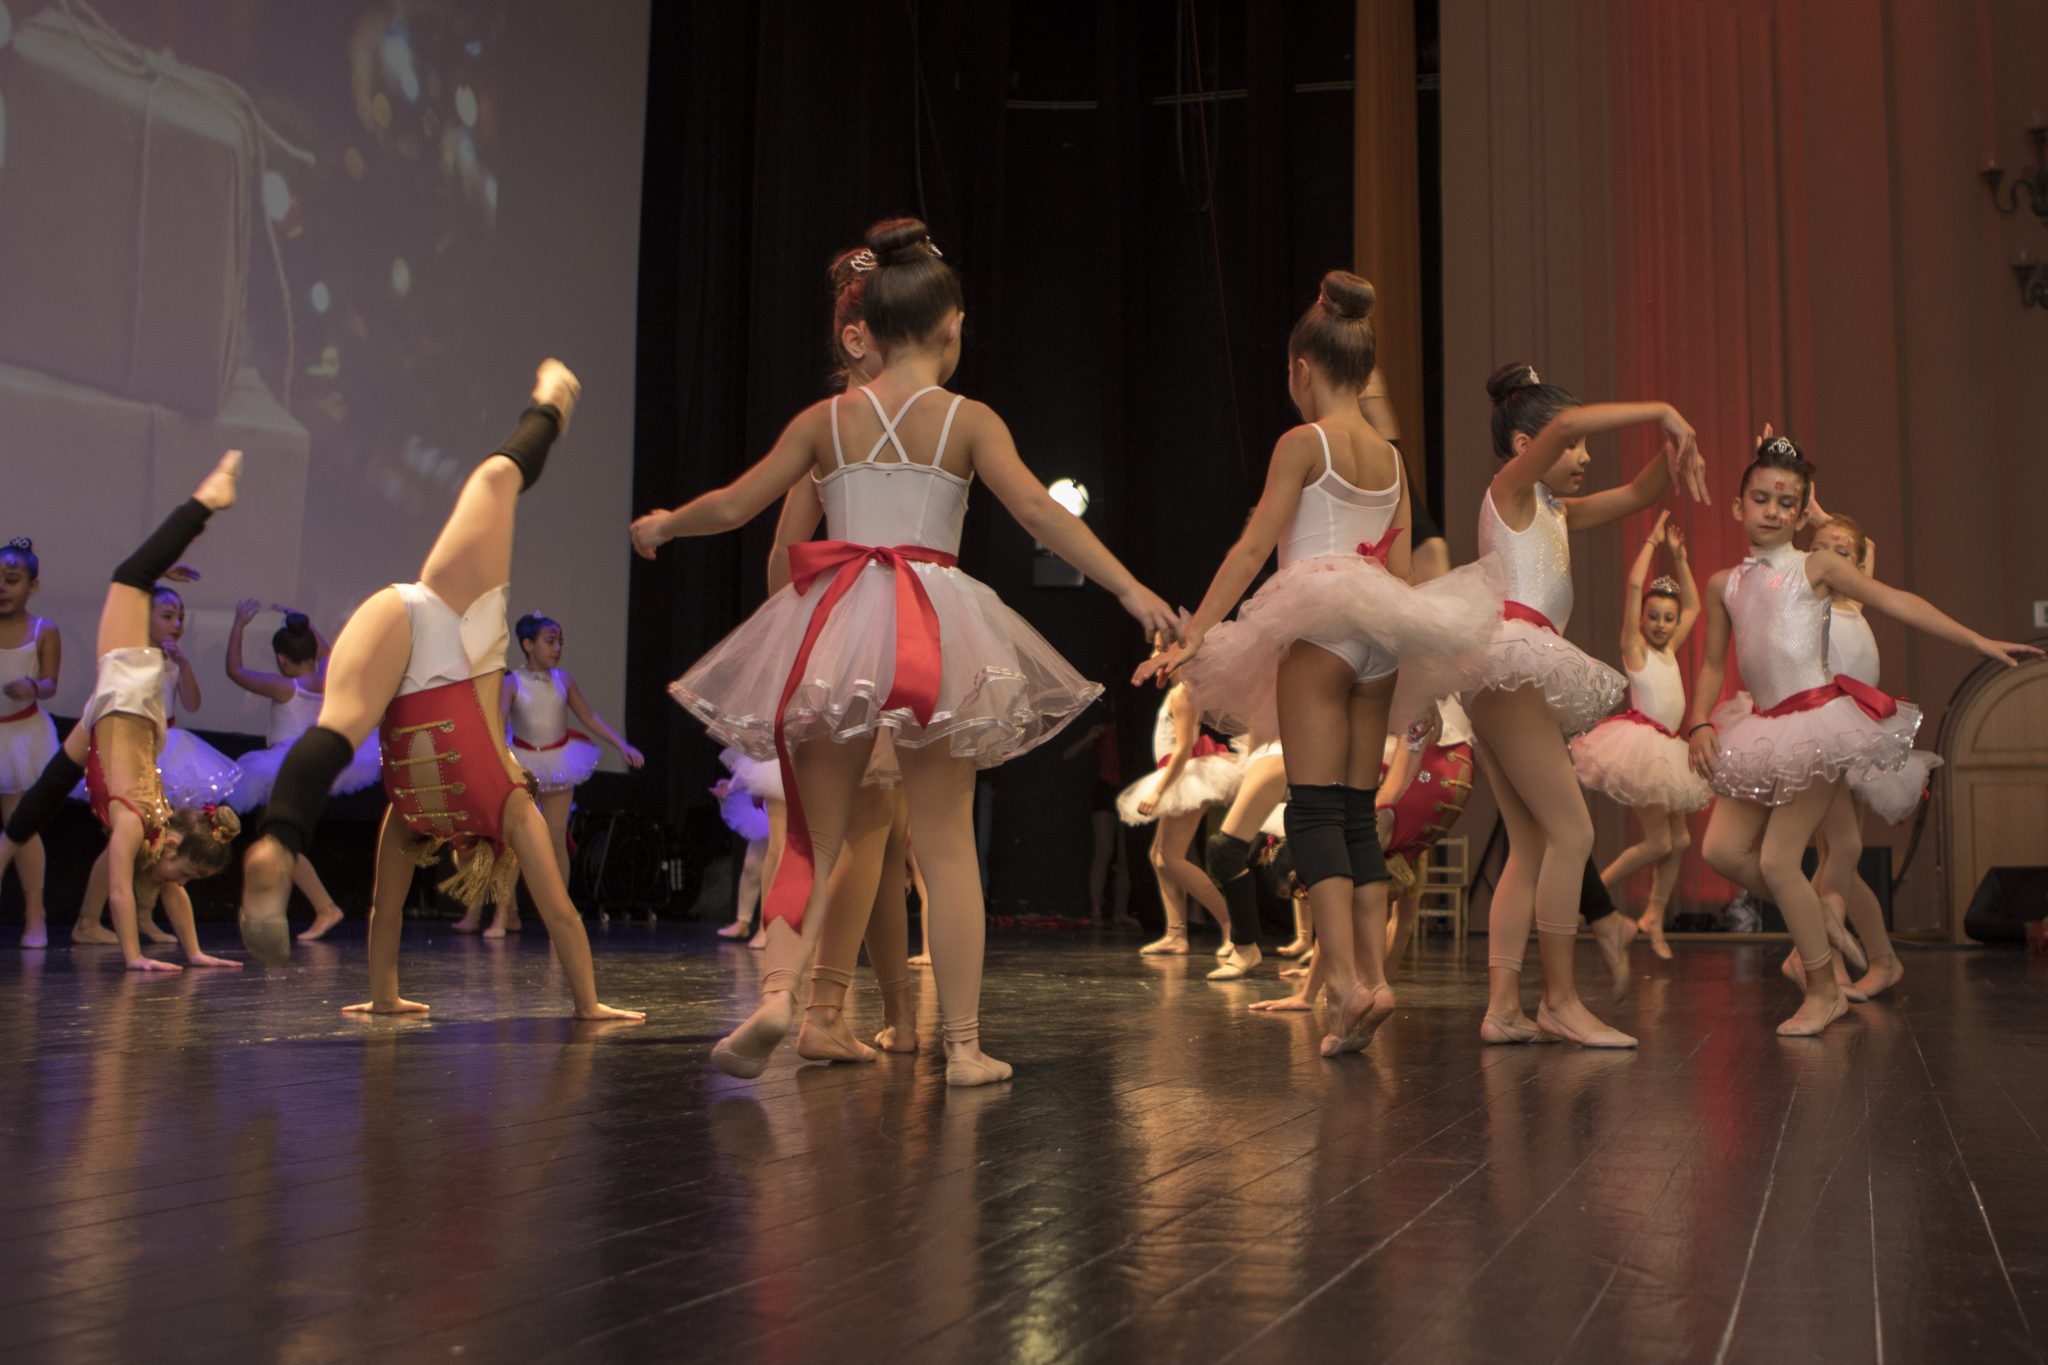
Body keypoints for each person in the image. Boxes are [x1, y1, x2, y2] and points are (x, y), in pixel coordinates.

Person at [633, 218, 1176, 1085]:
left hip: (838, 624)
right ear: (951, 326)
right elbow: (1040, 512)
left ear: (871, 329)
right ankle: (961, 1045)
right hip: (934, 624)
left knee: (813, 836)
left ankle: (777, 996)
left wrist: (666, 524)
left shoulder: (826, 419)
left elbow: (737, 505)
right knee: (946, 842)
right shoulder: (967, 419)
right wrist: (1129, 588)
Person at [1140, 272, 1500, 1057]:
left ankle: (1344, 987)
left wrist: (1194, 633)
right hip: (1380, 632)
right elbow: (1397, 570)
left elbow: (1251, 548)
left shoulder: (1303, 443)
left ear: (1302, 369)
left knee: (1310, 811)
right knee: (1353, 812)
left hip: (1320, 626)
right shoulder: (1393, 459)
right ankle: (1372, 975)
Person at [236, 360, 643, 1023]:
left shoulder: (480, 808)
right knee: (337, 728)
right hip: (437, 647)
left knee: (336, 729)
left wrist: (384, 996)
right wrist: (589, 1006)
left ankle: (278, 841)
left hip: (441, 625)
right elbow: (558, 914)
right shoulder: (423, 815)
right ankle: (278, 849)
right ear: (467, 852)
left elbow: (387, 912)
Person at [1687, 433, 2036, 1035]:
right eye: (1762, 499)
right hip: (1763, 729)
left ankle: (1824, 990)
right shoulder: (1724, 584)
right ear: (1738, 505)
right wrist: (1697, 720)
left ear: (1800, 512)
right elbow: (1715, 664)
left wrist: (1976, 639)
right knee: (1721, 851)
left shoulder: (1817, 565)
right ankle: (1822, 921)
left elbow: (1894, 600)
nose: (1773, 511)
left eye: (1786, 502)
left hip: (1817, 723)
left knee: (1779, 861)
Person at [1463, 363, 1707, 1047]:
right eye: (1570, 447)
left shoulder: (1554, 511)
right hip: (1511, 667)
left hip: (1511, 674)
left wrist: (1676, 449)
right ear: (1525, 446)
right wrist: (1660, 407)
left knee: (1533, 844)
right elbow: (1569, 419)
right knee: (1572, 834)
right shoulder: (1509, 492)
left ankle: (1503, 1007)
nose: (1583, 455)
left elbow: (1640, 492)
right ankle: (1560, 1000)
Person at [0, 456, 247, 966]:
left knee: (45, 794)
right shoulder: (139, 825)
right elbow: (119, 893)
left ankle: (4, 848)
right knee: (129, 575)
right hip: (129, 703)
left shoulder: (158, 834)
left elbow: (166, 891)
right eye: (187, 873)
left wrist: (196, 953)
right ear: (172, 846)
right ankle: (205, 502)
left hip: (119, 720)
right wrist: (134, 958)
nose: (181, 884)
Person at [1569, 512, 1712, 960]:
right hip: (1643, 748)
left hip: (1669, 747)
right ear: (1642, 620)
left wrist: (1681, 559)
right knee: (1659, 842)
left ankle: (1653, 917)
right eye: (1654, 617)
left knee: (1680, 841)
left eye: (1668, 619)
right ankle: (1591, 895)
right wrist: (1651, 543)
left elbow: (1694, 607)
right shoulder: (1636, 650)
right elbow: (1634, 587)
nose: (1662, 624)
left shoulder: (1669, 650)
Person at [457, 612, 644, 936]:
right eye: (549, 641)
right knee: (514, 843)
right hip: (524, 765)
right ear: (528, 645)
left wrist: (621, 744)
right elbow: (497, 724)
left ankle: (561, 914)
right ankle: (503, 916)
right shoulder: (513, 682)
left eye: (560, 642)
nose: (557, 648)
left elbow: (589, 716)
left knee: (556, 838)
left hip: (559, 763)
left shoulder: (564, 680)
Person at [224, 601, 381, 941]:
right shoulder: (327, 679)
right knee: (280, 839)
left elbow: (235, 671)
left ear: (281, 659)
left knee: (279, 840)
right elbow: (329, 654)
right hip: (315, 762)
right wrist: (306, 625)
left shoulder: (286, 687)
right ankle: (319, 907)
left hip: (285, 767)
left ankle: (322, 908)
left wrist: (239, 624)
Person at [1117, 682, 1241, 957]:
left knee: (1171, 857)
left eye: (1161, 656)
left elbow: (1184, 748)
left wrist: (1159, 791)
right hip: (1178, 774)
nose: (1155, 662)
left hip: (1186, 775)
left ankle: (1232, 925)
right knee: (1159, 857)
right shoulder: (1179, 692)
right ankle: (1175, 933)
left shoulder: (1184, 693)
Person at [0, 538, 61, 946]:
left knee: (18, 824)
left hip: (20, 736)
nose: (2, 587)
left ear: (32, 586)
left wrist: (33, 686)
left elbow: (51, 683)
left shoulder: (44, 630)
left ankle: (34, 912)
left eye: (11, 579)